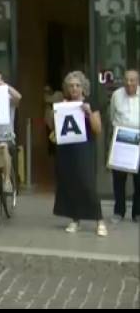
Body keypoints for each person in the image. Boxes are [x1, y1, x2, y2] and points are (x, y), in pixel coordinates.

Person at [47, 71, 107, 236]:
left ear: (83, 87)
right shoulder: (63, 103)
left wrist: (88, 113)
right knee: (70, 183)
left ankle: (99, 220)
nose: (74, 88)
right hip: (66, 149)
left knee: (87, 183)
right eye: (71, 85)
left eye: (77, 85)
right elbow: (54, 128)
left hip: (85, 147)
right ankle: (75, 219)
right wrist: (52, 115)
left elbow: (98, 129)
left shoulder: (90, 103)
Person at [109, 69, 140, 224]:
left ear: (138, 81)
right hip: (121, 141)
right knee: (119, 180)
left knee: (139, 180)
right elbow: (111, 116)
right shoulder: (116, 95)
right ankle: (119, 211)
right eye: (127, 80)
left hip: (139, 141)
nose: (129, 83)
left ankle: (137, 213)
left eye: (132, 80)